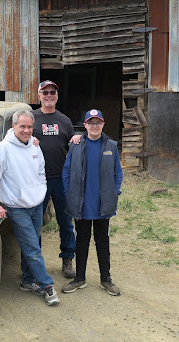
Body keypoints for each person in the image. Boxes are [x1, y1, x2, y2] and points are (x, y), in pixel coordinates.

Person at [0, 109, 60, 306]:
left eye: (29, 127)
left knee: (32, 244)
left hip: (36, 204)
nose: (26, 130)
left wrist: (41, 191)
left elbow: (41, 171)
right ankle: (47, 285)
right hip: (17, 207)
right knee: (32, 248)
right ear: (13, 126)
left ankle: (27, 280)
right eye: (22, 126)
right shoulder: (3, 149)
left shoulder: (34, 146)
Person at [61, 109, 123, 296]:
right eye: (91, 122)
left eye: (98, 122)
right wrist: (68, 193)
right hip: (82, 204)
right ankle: (80, 278)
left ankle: (106, 279)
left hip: (102, 205)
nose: (94, 126)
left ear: (103, 124)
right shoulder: (76, 146)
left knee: (102, 241)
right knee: (82, 241)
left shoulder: (111, 146)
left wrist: (115, 192)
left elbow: (117, 173)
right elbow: (66, 172)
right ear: (85, 125)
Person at [32, 80, 77, 279]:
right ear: (39, 95)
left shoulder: (64, 120)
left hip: (60, 179)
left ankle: (67, 258)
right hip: (37, 179)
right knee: (35, 222)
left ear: (57, 96)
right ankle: (35, 261)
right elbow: (14, 137)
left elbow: (73, 144)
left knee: (65, 221)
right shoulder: (31, 118)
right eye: (45, 92)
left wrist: (77, 137)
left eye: (53, 92)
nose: (49, 95)